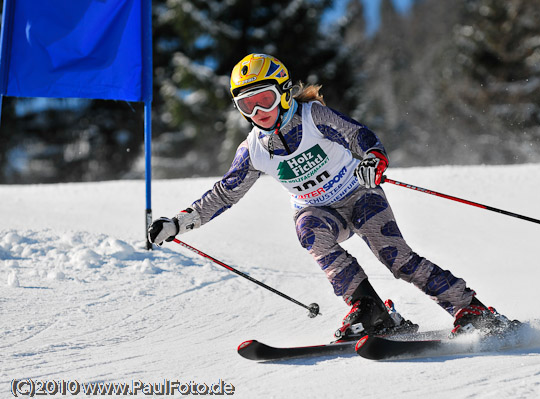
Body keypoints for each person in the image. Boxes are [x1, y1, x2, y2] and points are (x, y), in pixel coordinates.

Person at [148, 53, 518, 340]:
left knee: (396, 258)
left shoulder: (314, 116)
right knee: (309, 230)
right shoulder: (254, 149)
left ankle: (472, 311)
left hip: (358, 195)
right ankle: (371, 310)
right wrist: (180, 223)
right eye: (247, 105)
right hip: (319, 211)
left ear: (283, 93)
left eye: (264, 99)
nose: (259, 112)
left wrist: (373, 161)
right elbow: (225, 193)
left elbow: (361, 137)